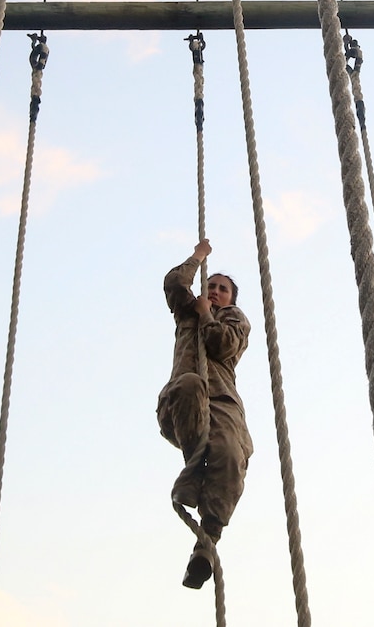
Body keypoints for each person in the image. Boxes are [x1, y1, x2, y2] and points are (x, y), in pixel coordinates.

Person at [156, 239, 253, 589]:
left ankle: (206, 542)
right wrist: (198, 258)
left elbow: (222, 344)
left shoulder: (234, 319)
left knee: (230, 454)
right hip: (182, 403)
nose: (214, 291)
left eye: (222, 289)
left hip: (222, 403)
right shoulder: (186, 309)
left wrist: (206, 314)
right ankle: (195, 470)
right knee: (190, 385)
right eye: (210, 286)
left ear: (231, 299)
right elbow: (173, 283)